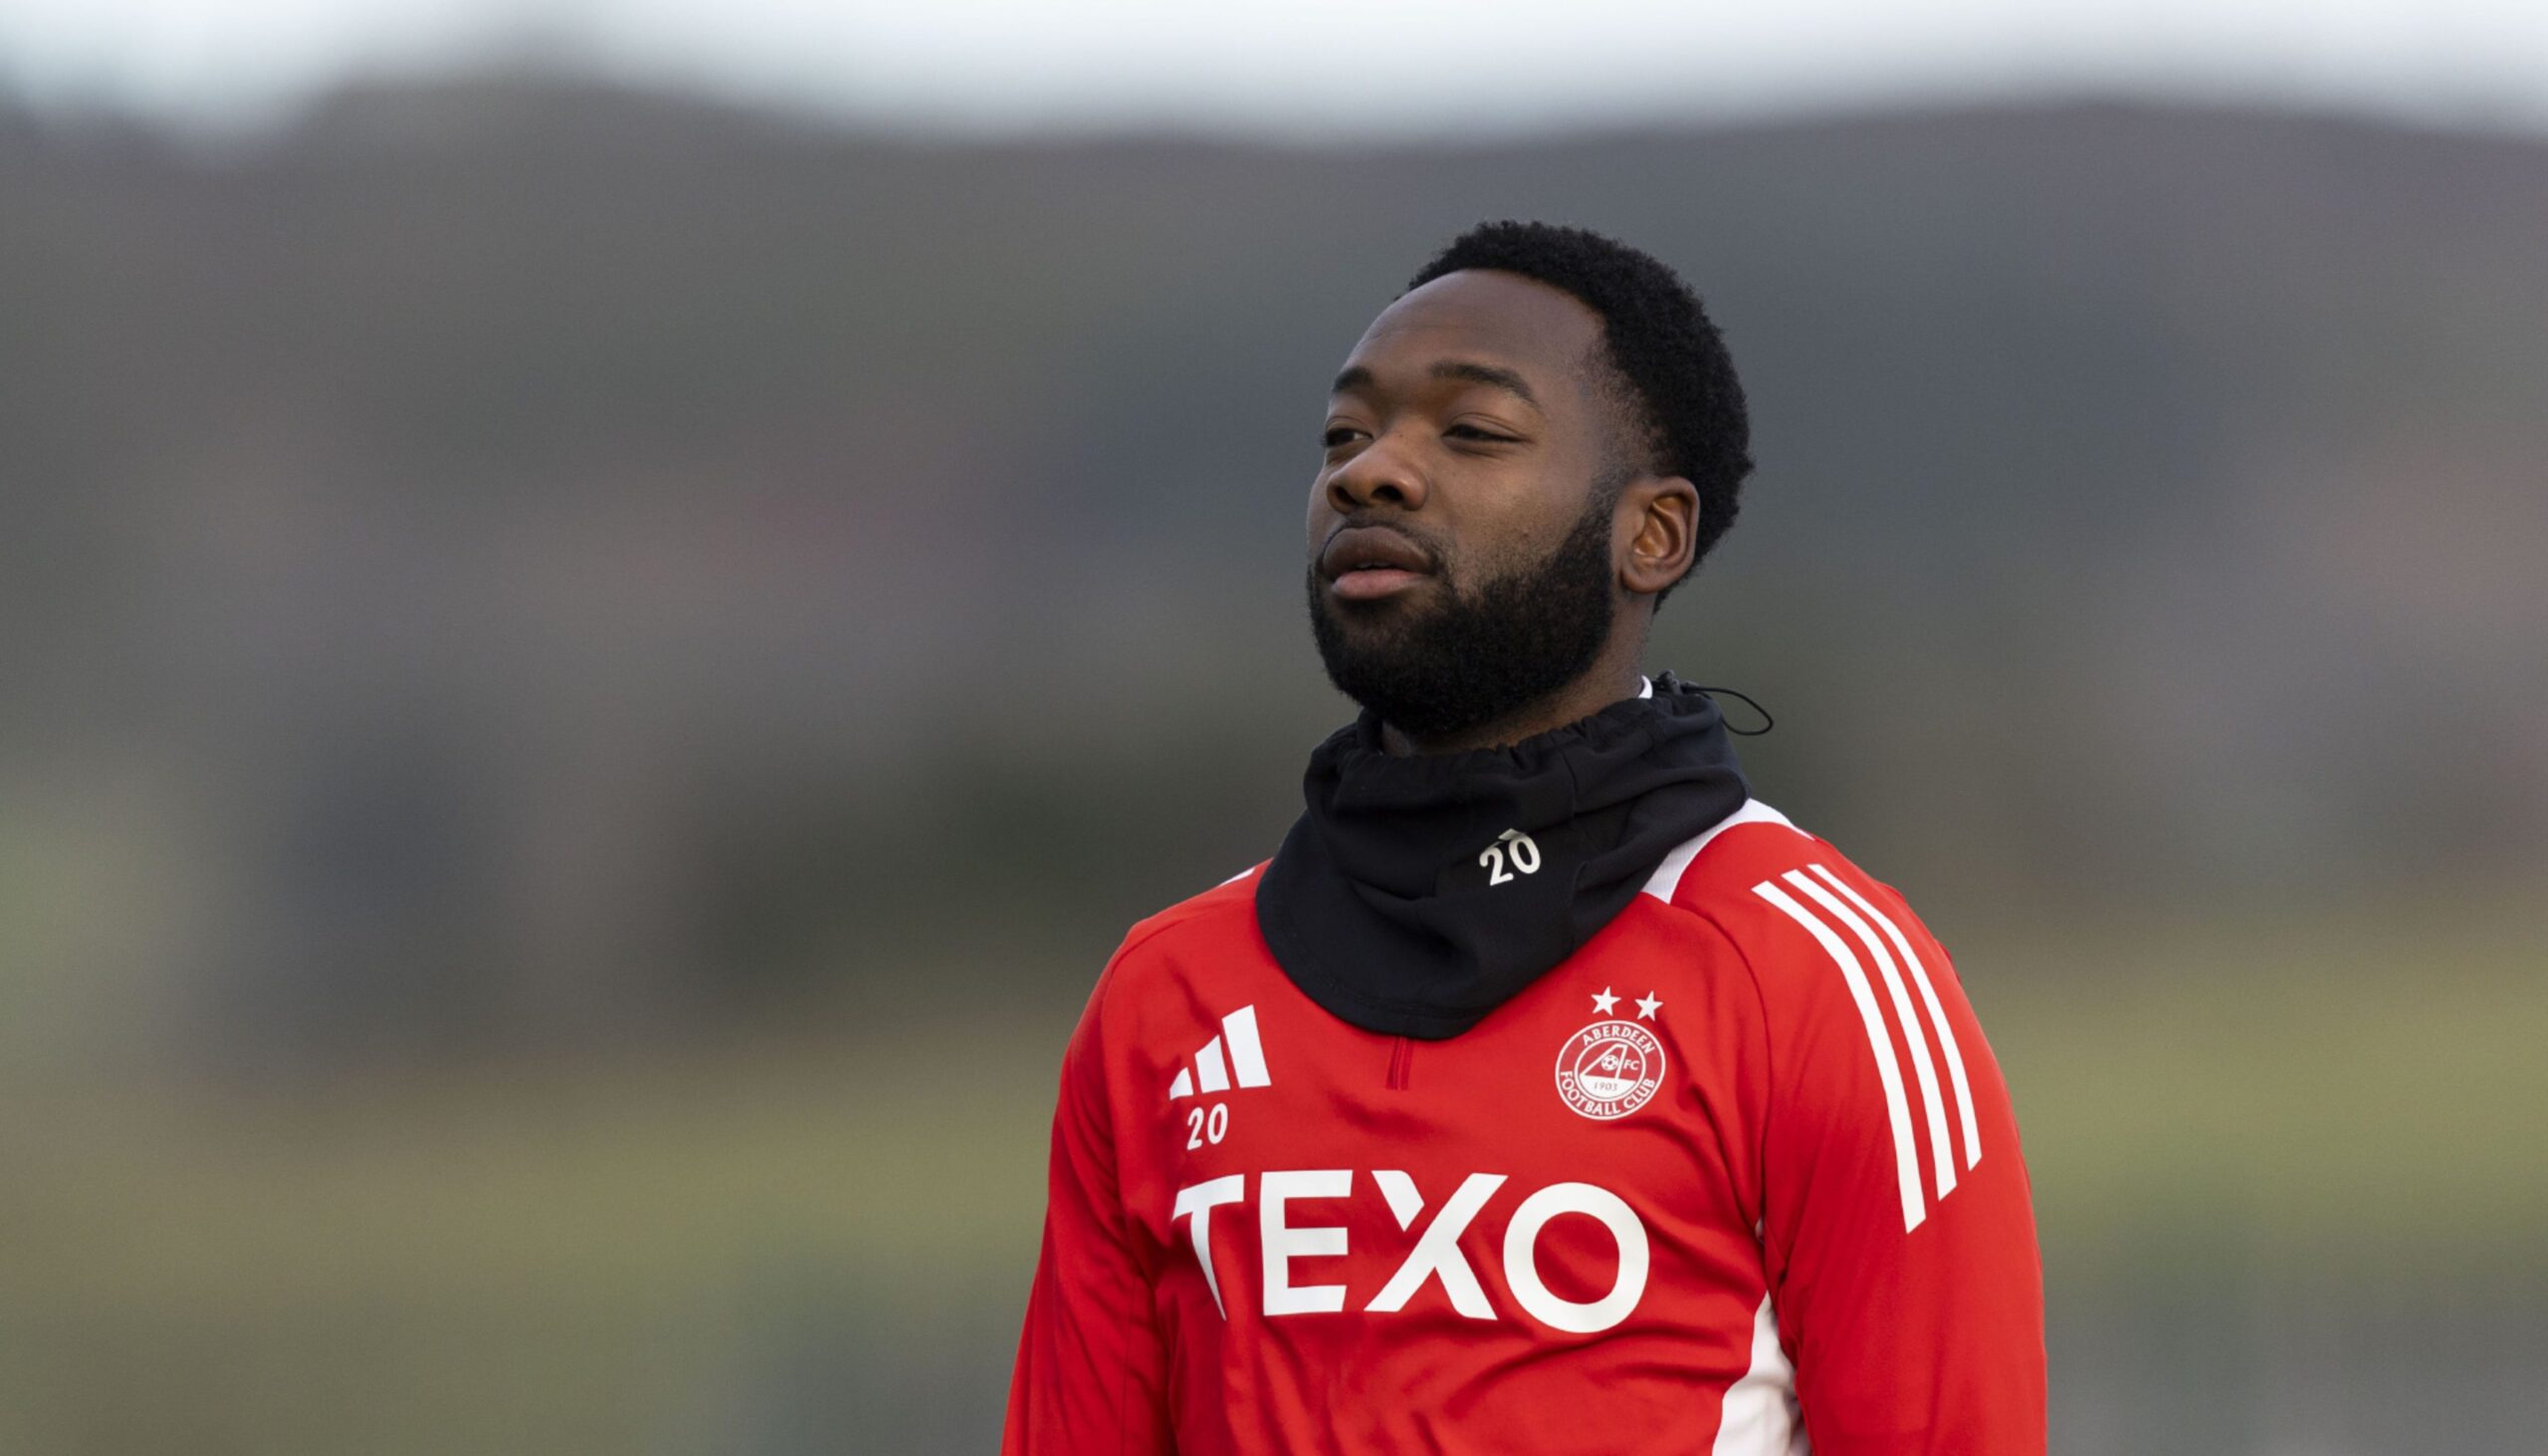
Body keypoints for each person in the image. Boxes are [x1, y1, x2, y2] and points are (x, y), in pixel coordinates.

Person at [1001, 220, 2045, 1454]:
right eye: (1344, 435)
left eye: (1472, 431)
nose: (1369, 473)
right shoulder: (1164, 994)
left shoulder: (1816, 972)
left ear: (1649, 535)